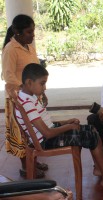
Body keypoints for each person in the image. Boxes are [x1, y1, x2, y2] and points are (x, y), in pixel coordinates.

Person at [15, 63, 103, 192]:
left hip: (47, 134)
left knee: (91, 129)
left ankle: (99, 169)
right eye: (42, 83)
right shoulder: (27, 104)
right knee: (92, 135)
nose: (45, 87)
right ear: (29, 82)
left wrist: (66, 122)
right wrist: (69, 126)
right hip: (46, 141)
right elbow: (47, 133)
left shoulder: (28, 97)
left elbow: (46, 124)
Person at [1, 14, 48, 178]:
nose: (32, 35)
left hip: (32, 97)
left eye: (33, 31)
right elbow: (9, 77)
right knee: (23, 136)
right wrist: (26, 90)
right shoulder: (10, 49)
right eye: (29, 32)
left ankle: (33, 161)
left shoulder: (29, 47)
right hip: (18, 100)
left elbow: (36, 74)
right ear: (17, 31)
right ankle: (26, 167)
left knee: (33, 132)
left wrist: (41, 91)